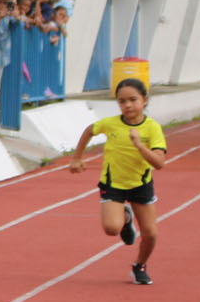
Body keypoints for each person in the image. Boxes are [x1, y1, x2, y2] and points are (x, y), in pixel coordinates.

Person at [68, 77, 167, 285]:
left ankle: (139, 265)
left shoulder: (152, 128)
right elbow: (89, 130)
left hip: (140, 185)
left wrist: (139, 146)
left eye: (133, 99)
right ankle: (125, 218)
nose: (128, 105)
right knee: (112, 228)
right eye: (122, 101)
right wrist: (77, 158)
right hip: (113, 185)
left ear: (145, 100)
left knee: (151, 234)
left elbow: (159, 163)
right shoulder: (110, 123)